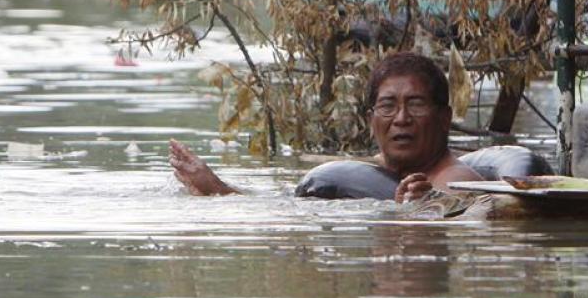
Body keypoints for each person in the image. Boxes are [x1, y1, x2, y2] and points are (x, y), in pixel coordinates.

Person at [169, 53, 483, 203]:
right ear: (371, 119)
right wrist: (218, 188)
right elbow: (289, 205)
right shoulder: (368, 172)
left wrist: (426, 205)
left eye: (415, 104)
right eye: (388, 106)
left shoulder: (457, 179)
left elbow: (452, 213)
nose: (401, 118)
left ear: (444, 118)